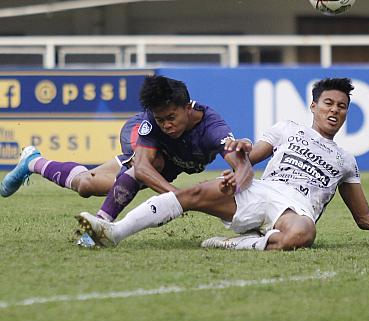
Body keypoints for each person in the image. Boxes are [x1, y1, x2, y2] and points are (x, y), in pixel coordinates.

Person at [75, 78, 369, 251]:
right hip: (260, 193)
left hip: (295, 211)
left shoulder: (346, 160)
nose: (334, 110)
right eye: (328, 103)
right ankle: (115, 232)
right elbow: (247, 158)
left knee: (303, 234)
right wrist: (237, 167)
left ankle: (238, 244)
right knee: (190, 194)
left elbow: (365, 217)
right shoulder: (286, 130)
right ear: (314, 106)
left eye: (341, 106)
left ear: (347, 113)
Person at [1, 75, 250, 224]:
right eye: (160, 119)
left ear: (187, 107)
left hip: (162, 162)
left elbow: (241, 166)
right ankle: (101, 225)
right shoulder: (151, 122)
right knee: (152, 165)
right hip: (138, 139)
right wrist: (177, 198)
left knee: (86, 185)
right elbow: (142, 167)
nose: (166, 125)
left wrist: (237, 182)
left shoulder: (212, 128)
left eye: (171, 117)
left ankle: (33, 161)